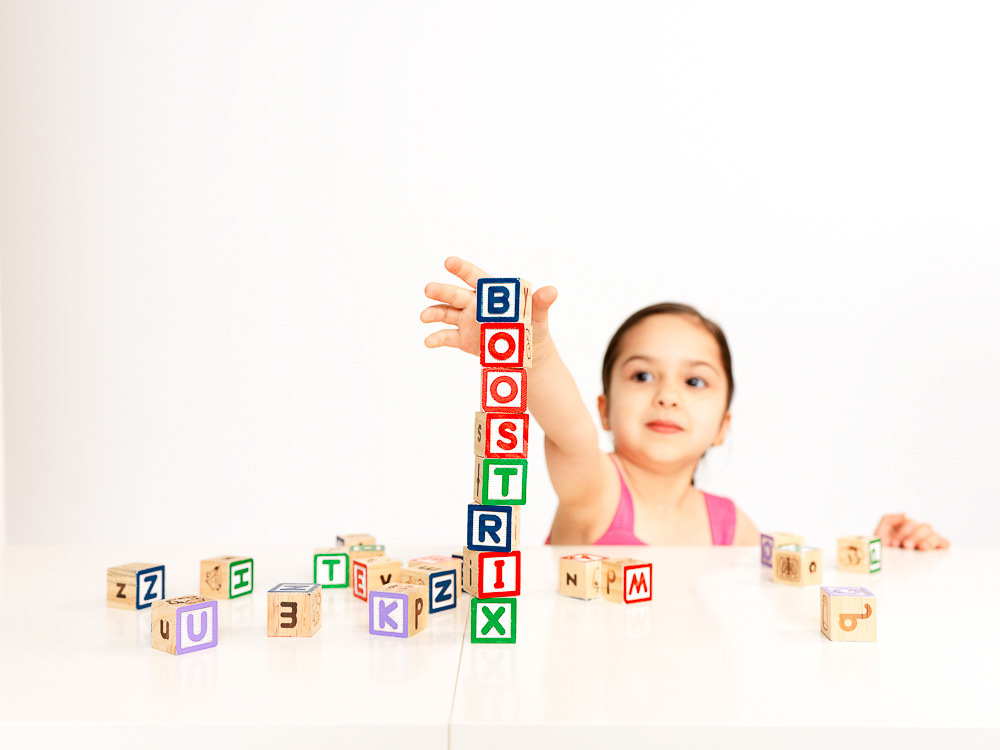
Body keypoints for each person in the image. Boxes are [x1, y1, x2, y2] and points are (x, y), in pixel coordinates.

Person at [421, 257, 949, 551]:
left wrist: (877, 554)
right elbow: (569, 427)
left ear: (722, 425)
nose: (667, 395)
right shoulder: (595, 490)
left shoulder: (728, 526)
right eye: (642, 375)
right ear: (605, 410)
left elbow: (787, 590)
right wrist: (529, 351)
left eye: (695, 382)